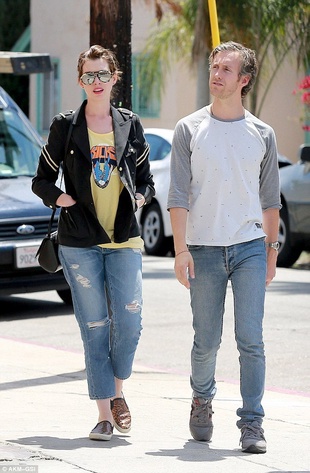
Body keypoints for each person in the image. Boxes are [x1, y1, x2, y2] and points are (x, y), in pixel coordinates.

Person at [32, 45, 155, 441]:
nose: (96, 82)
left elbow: (147, 180)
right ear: (80, 81)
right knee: (95, 326)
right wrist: (60, 198)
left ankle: (117, 391)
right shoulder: (65, 126)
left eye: (103, 74)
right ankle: (104, 413)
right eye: (89, 76)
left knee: (130, 323)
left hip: (123, 236)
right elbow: (42, 180)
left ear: (114, 77)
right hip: (79, 240)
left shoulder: (130, 124)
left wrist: (140, 197)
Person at [167, 41, 281, 454]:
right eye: (214, 66)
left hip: (250, 247)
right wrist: (181, 251)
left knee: (251, 339)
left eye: (226, 69)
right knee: (207, 341)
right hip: (204, 250)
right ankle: (202, 399)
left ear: (244, 80)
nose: (216, 74)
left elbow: (270, 201)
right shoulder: (188, 129)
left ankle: (252, 423)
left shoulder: (262, 133)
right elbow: (178, 195)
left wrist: (271, 251)